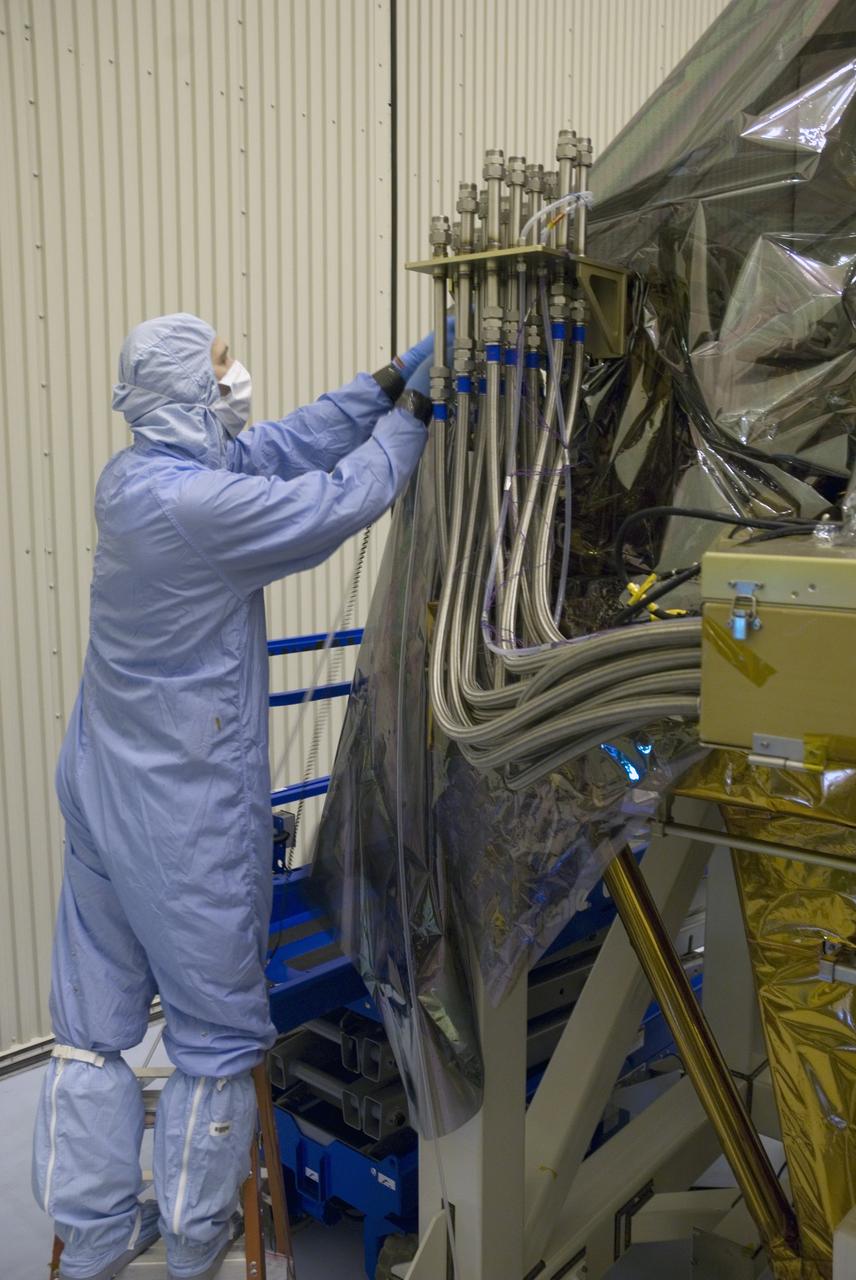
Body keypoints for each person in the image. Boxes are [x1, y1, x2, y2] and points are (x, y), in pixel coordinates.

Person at [31, 312, 438, 1280]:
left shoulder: (138, 481)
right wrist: (422, 408)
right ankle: (194, 1245)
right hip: (179, 819)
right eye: (222, 367)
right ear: (188, 393)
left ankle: (88, 1245)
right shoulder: (197, 510)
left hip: (101, 795)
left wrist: (383, 380)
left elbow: (287, 444)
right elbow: (343, 497)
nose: (237, 377)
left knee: (93, 1027)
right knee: (216, 1038)